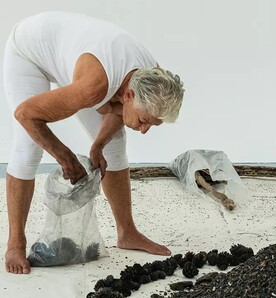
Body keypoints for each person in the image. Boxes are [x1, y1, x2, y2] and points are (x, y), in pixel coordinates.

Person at [3, 11, 184, 274]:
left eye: (152, 125)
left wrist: (97, 145)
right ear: (130, 95)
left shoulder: (155, 79)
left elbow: (117, 109)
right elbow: (25, 115)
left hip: (77, 56)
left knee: (114, 144)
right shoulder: (94, 86)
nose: (144, 130)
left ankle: (127, 232)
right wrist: (66, 157)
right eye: (145, 121)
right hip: (29, 50)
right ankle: (15, 244)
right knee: (27, 148)